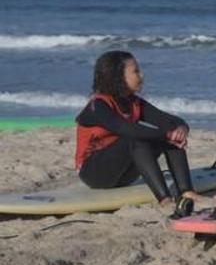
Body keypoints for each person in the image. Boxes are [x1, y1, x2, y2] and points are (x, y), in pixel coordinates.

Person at [75, 51, 199, 207]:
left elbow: (169, 121)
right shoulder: (98, 106)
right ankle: (164, 199)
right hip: (94, 173)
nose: (142, 75)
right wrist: (165, 135)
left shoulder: (133, 103)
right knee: (137, 136)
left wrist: (180, 129)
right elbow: (123, 128)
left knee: (171, 138)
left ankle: (186, 190)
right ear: (118, 77)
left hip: (124, 175)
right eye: (136, 71)